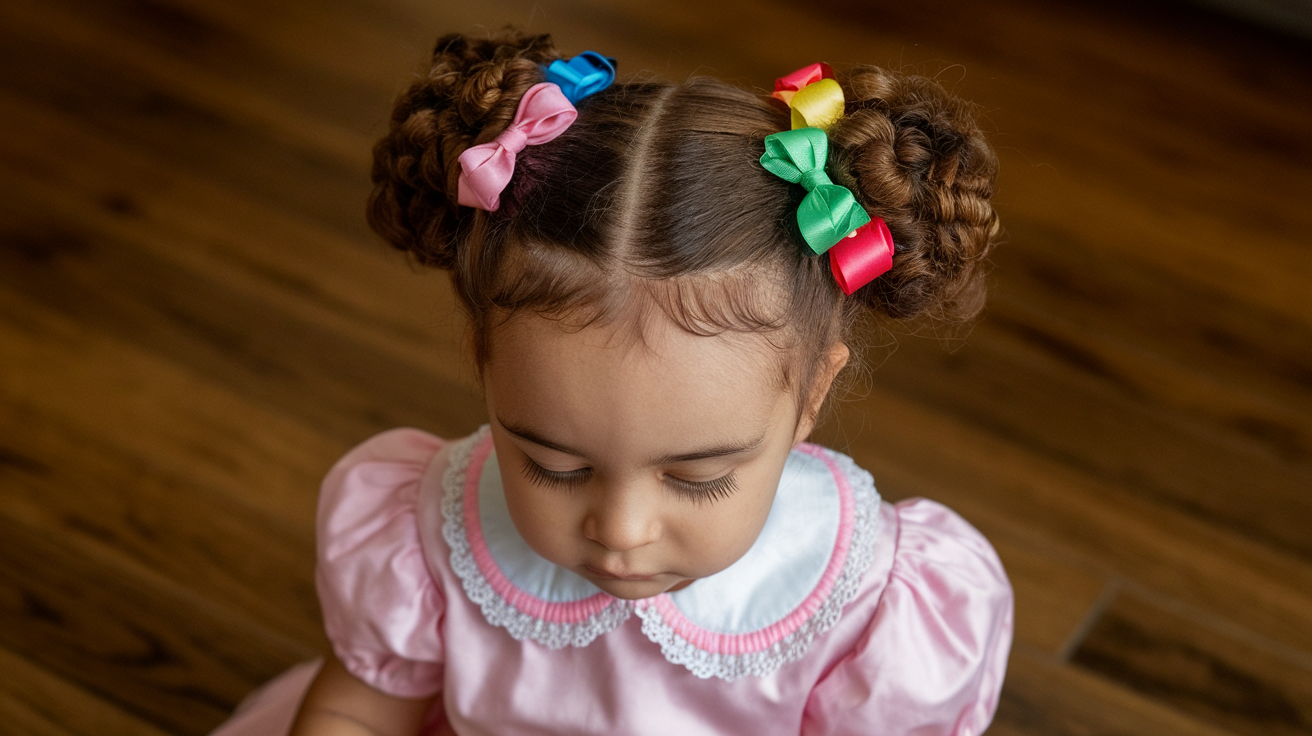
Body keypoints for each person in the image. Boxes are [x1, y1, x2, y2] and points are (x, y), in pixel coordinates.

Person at [210, 28, 1013, 736]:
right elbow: (358, 709)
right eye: (554, 466)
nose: (620, 531)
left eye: (699, 479)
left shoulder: (872, 605)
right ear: (482, 360)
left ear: (811, 395)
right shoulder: (423, 534)